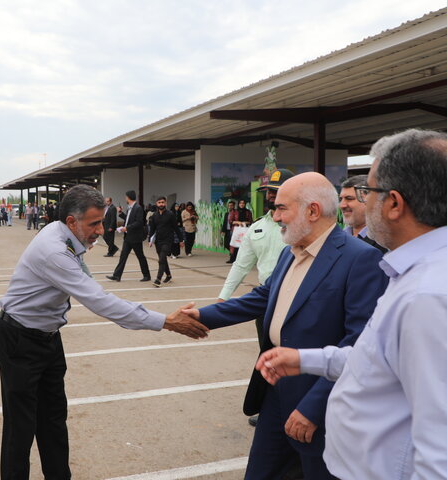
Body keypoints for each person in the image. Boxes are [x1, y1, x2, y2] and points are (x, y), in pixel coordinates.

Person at [256, 129, 447, 479]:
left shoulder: (429, 296)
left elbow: (440, 446)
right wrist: (304, 359)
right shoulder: (412, 271)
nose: (357, 204)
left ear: (393, 203)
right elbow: (378, 356)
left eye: (367, 192)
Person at [0, 184, 209, 480]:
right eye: (94, 223)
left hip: (47, 336)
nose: (101, 229)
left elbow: (90, 283)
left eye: (102, 221)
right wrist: (166, 321)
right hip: (20, 339)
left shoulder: (64, 236)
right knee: (21, 425)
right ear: (72, 221)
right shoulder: (55, 250)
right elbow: (100, 301)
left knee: (54, 419)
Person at [183, 172, 388, 479]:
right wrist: (202, 316)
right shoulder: (288, 252)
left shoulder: (361, 260)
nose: (275, 216)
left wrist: (313, 408)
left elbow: (358, 344)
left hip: (319, 405)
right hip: (275, 391)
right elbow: (262, 298)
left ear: (313, 211)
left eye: (281, 208)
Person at [217, 168, 294, 428]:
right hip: (266, 299)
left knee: (294, 356)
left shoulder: (300, 226)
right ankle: (271, 409)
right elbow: (241, 265)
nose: (272, 195)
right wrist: (224, 296)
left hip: (296, 299)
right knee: (268, 355)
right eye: (270, 192)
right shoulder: (257, 228)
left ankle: (297, 407)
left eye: (278, 190)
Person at [106, 190, 151, 282]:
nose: (125, 198)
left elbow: (139, 222)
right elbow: (128, 219)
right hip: (128, 237)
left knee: (140, 256)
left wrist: (127, 228)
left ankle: (147, 275)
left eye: (126, 197)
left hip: (135, 237)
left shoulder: (138, 208)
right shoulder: (129, 208)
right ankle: (117, 275)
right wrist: (121, 213)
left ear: (128, 197)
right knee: (123, 256)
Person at [339, 175, 388, 253]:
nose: (342, 205)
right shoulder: (337, 238)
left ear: (370, 200)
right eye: (341, 199)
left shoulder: (385, 241)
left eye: (349, 198)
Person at [149, 196, 183, 287]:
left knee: (161, 259)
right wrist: (150, 240)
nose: (161, 204)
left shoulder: (170, 214)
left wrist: (181, 240)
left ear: (166, 203)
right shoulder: (154, 215)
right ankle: (168, 275)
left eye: (163, 202)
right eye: (159, 202)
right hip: (158, 241)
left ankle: (158, 279)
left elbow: (176, 228)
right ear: (156, 204)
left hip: (168, 240)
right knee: (162, 259)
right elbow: (152, 229)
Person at [228, 198, 253, 263]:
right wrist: (238, 222)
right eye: (240, 203)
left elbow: (250, 221)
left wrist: (244, 223)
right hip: (236, 230)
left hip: (245, 230)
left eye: (243, 203)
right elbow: (230, 221)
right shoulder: (234, 211)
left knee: (244, 244)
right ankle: (233, 258)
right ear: (238, 204)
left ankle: (243, 259)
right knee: (235, 244)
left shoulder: (248, 212)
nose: (242, 204)